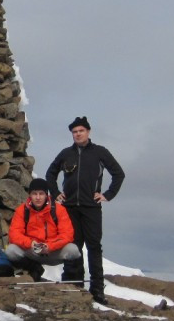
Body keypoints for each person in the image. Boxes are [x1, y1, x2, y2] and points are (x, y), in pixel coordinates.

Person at [45, 116, 125, 305]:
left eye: (81, 131)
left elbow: (118, 174)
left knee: (94, 247)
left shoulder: (99, 152)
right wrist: (56, 193)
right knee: (73, 247)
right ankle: (74, 285)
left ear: (88, 132)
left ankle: (97, 290)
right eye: (74, 132)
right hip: (70, 208)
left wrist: (107, 194)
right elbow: (51, 173)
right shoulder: (66, 153)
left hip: (91, 208)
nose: (77, 134)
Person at [5, 178, 81, 282]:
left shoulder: (58, 210)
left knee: (73, 250)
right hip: (32, 250)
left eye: (41, 194)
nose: (38, 197)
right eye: (34, 194)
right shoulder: (22, 210)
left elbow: (67, 234)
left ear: (46, 195)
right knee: (11, 251)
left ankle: (70, 280)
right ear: (30, 195)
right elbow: (14, 234)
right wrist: (30, 243)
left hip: (52, 251)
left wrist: (49, 246)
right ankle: (34, 269)